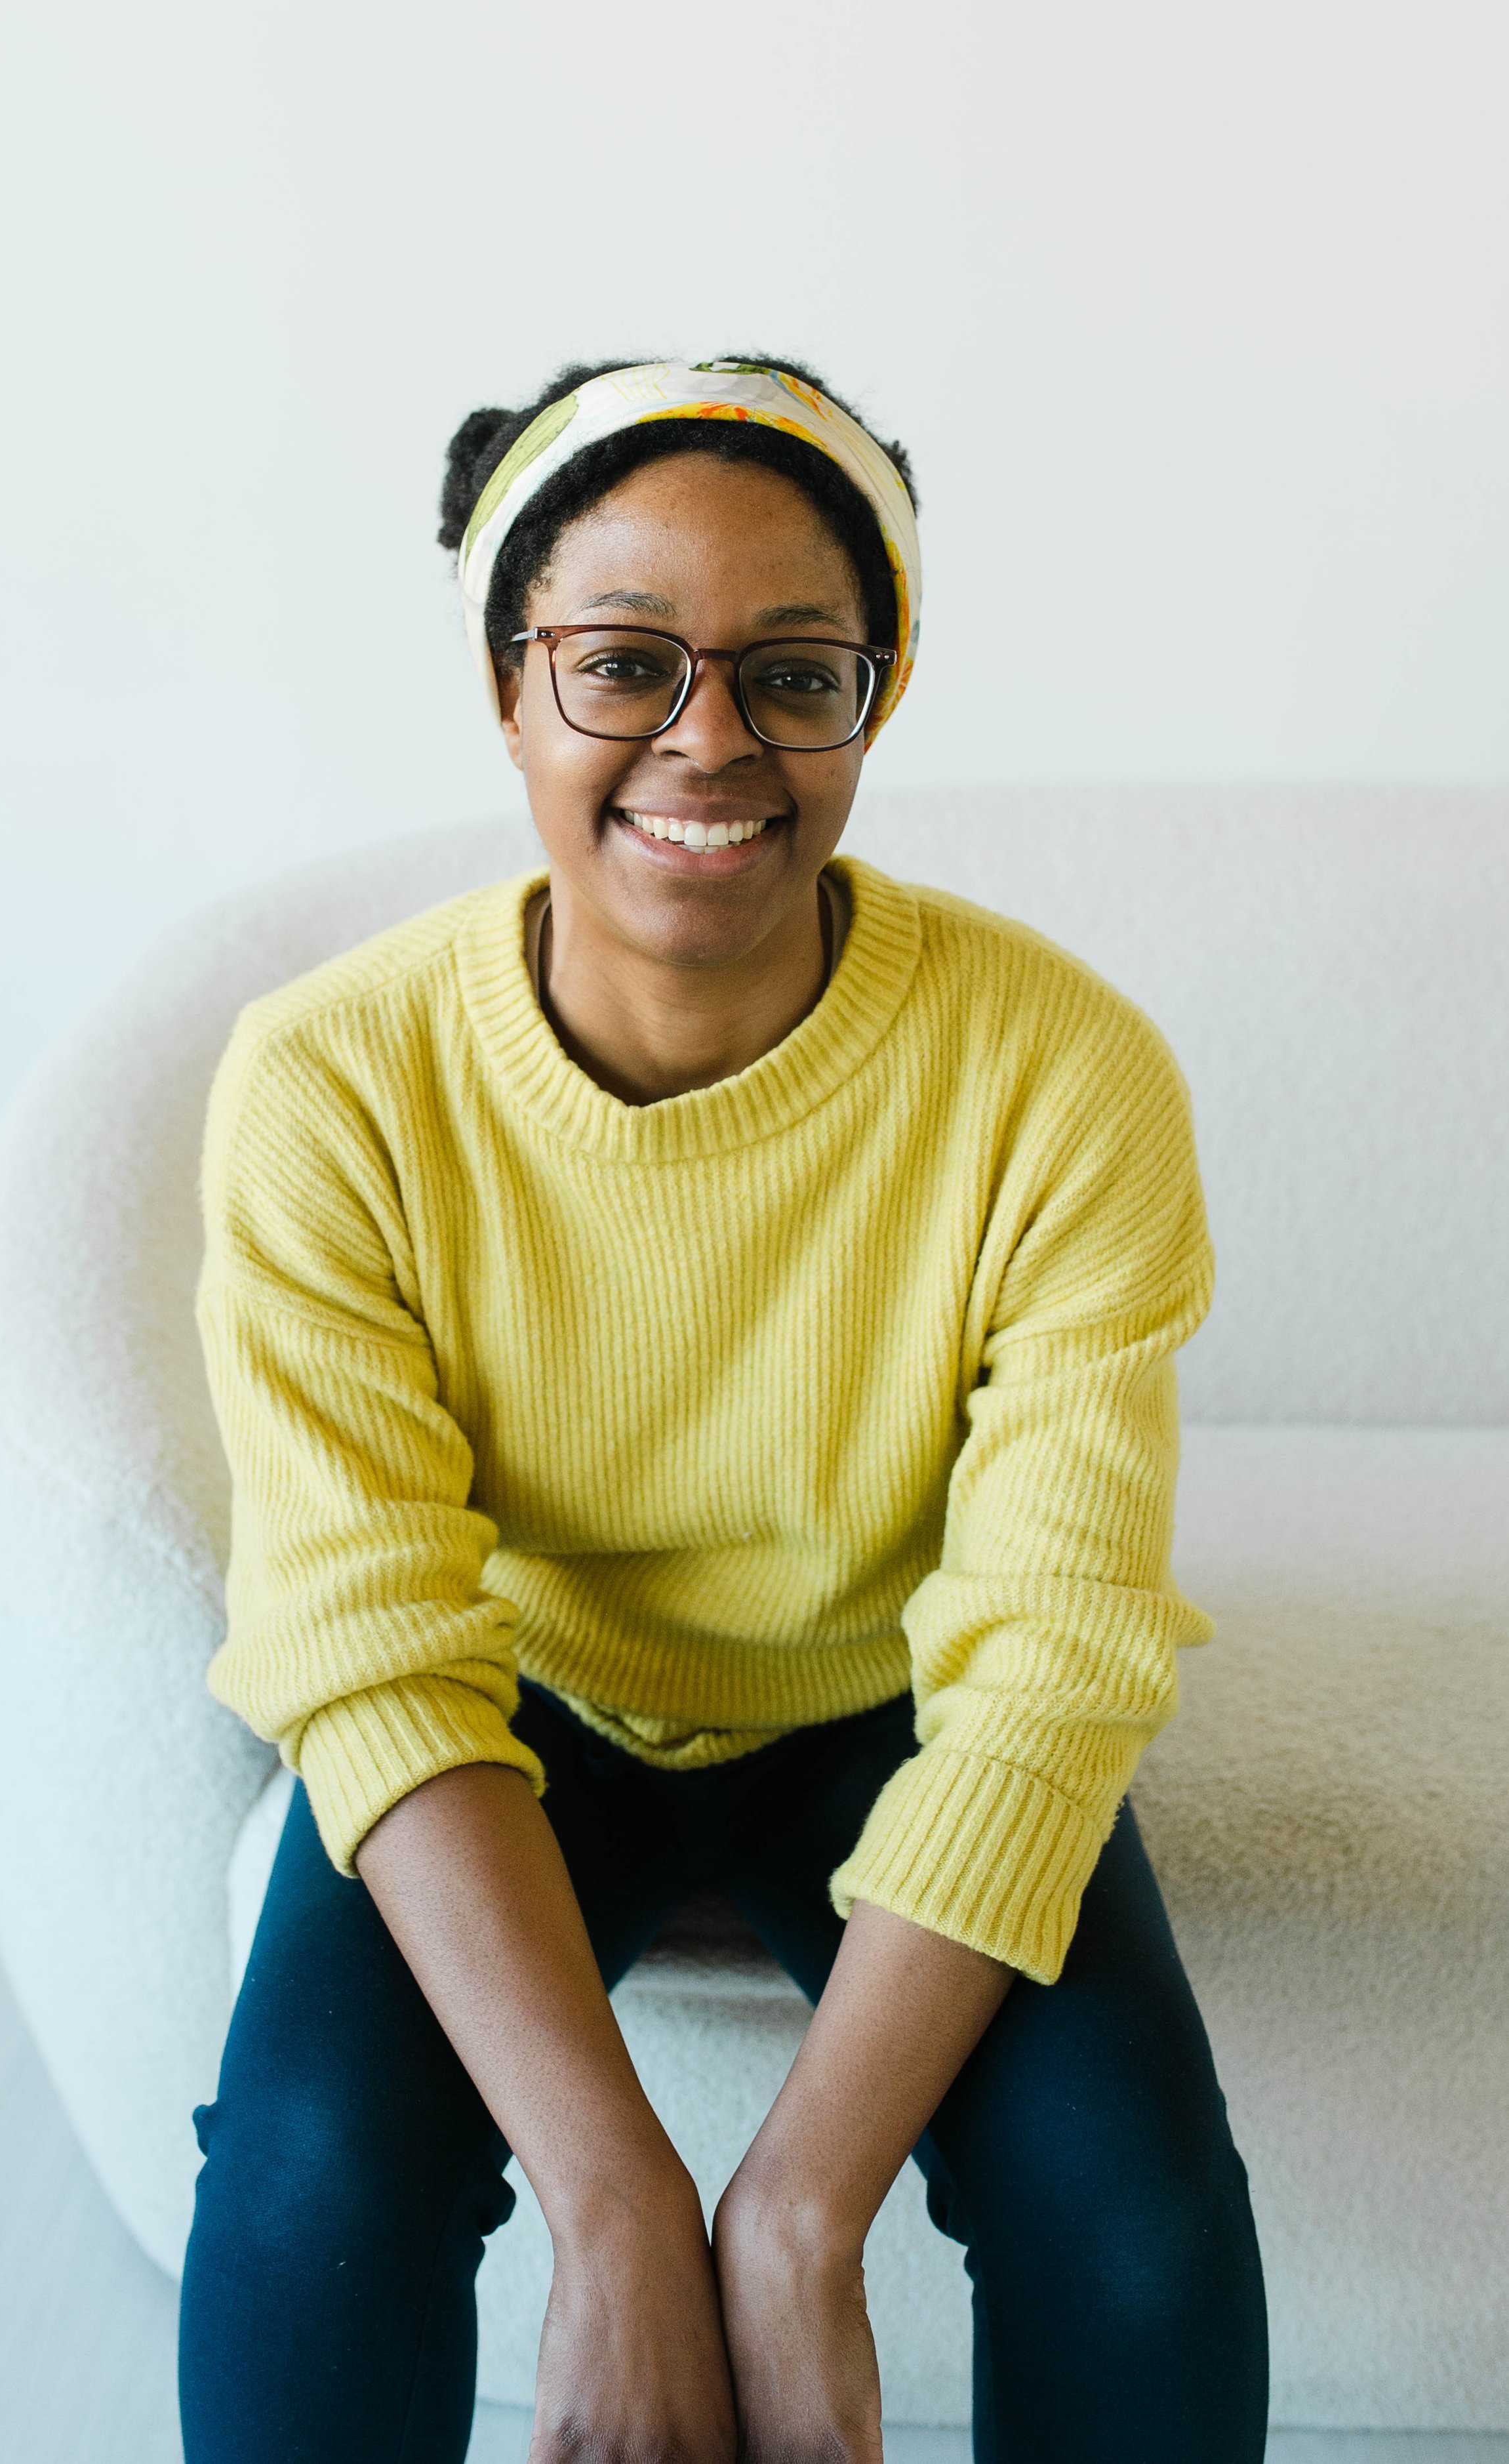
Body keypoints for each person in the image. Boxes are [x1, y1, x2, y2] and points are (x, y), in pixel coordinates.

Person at [177, 357, 1268, 2464]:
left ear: (881, 691)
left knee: (1135, 2220)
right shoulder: (329, 1081)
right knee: (310, 2188)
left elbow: (1050, 1661)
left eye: (793, 670)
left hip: (893, 1697)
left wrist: (786, 2215)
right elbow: (366, 1640)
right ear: (508, 687)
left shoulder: (1062, 1070)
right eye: (619, 666)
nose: (707, 741)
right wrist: (613, 2206)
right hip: (521, 1699)